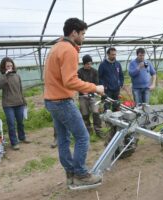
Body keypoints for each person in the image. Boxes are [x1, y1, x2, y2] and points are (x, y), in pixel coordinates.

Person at [43, 17, 104, 187]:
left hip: (51, 100)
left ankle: (70, 173)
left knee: (63, 138)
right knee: (83, 136)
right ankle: (81, 174)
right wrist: (95, 88)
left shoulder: (56, 47)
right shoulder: (69, 50)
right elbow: (70, 80)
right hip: (62, 101)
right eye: (83, 34)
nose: (84, 37)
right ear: (74, 33)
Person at [0, 57, 30, 150]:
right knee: (11, 124)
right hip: (8, 105)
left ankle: (22, 137)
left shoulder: (17, 76)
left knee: (20, 122)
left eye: (11, 65)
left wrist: (24, 101)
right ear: (4, 67)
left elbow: (20, 90)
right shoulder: (1, 77)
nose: (10, 67)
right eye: (7, 66)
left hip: (19, 103)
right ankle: (14, 143)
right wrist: (5, 75)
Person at [78, 55, 103, 137]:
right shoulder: (79, 72)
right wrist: (82, 91)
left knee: (96, 112)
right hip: (82, 96)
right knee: (85, 114)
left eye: (90, 63)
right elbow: (78, 84)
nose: (89, 65)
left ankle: (98, 130)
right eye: (88, 64)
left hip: (93, 95)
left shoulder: (94, 71)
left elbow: (96, 84)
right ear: (84, 64)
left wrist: (90, 90)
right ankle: (88, 130)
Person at [98, 47, 124, 111]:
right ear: (108, 54)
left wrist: (120, 84)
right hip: (108, 90)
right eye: (112, 54)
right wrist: (104, 86)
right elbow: (99, 77)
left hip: (116, 90)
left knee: (116, 106)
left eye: (115, 54)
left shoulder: (117, 64)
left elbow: (121, 75)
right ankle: (107, 120)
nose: (114, 56)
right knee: (107, 106)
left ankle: (116, 120)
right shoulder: (103, 65)